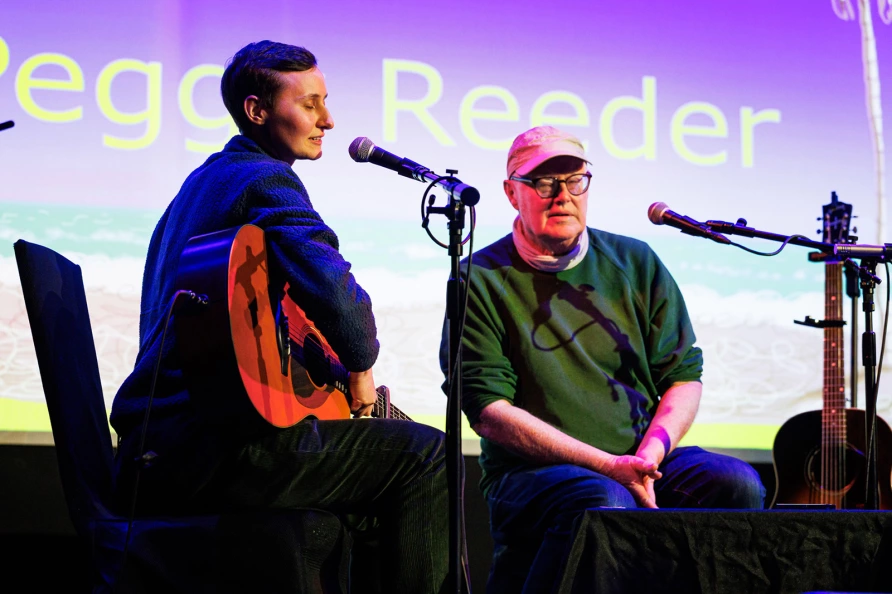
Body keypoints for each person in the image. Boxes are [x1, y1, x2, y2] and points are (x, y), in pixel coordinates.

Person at [110, 40, 448, 593]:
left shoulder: (196, 188)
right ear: (257, 111)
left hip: (154, 455)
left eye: (326, 102)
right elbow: (337, 293)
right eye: (310, 104)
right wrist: (361, 364)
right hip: (207, 454)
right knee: (427, 456)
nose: (329, 120)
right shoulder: (266, 180)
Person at [442, 125, 765, 593]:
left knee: (736, 484)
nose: (563, 196)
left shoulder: (635, 261)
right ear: (512, 193)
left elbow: (683, 375)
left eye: (575, 181)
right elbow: (490, 412)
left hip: (637, 460)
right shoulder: (481, 278)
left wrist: (650, 455)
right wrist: (608, 466)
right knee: (604, 499)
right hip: (532, 477)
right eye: (544, 183)